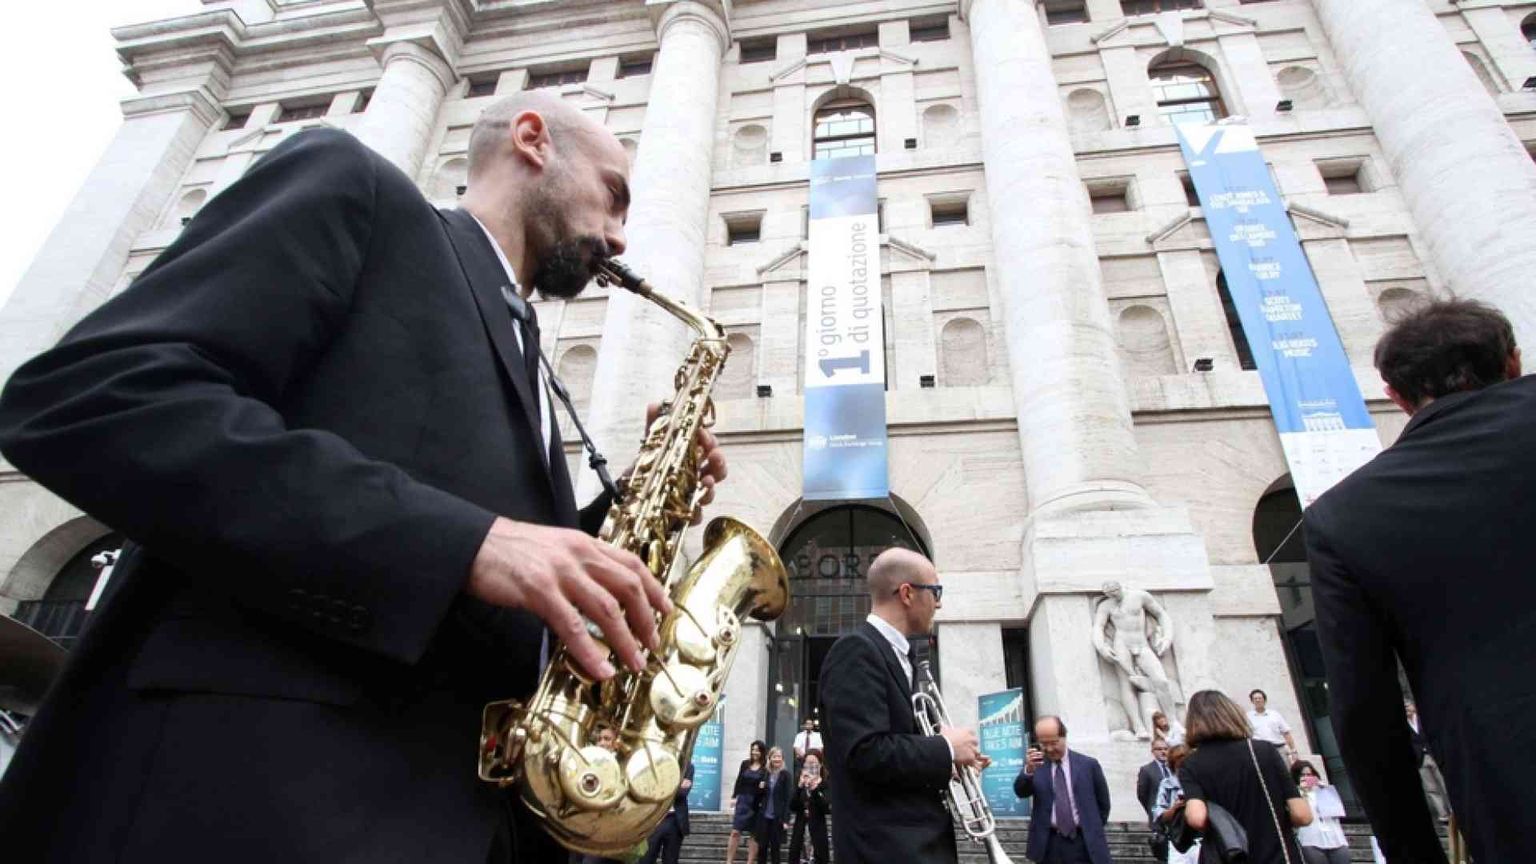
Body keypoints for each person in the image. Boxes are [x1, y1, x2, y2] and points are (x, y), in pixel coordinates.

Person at [0, 92, 731, 862]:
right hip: (260, 802)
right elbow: (92, 397)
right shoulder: (357, 188)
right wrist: (466, 544)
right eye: (613, 195)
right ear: (531, 140)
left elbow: (486, 555)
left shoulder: (527, 348)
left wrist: (625, 511)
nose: (619, 235)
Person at [1305, 298, 1535, 864]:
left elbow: (1366, 716)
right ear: (1512, 361)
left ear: (1396, 396)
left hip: (1513, 797)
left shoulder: (1344, 516)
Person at [819, 548, 984, 864]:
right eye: (935, 592)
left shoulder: (900, 655)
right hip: (885, 849)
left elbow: (894, 750)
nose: (939, 603)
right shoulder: (856, 650)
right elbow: (866, 752)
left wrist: (948, 764)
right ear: (907, 593)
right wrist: (945, 748)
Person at [1177, 690, 1311, 864]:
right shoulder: (1264, 751)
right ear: (1232, 713)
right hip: (1278, 854)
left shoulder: (1190, 764)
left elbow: (1197, 818)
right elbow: (1302, 815)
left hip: (1232, 856)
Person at [1014, 716, 1113, 864]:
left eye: (1053, 743)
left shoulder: (1088, 765)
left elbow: (1103, 804)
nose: (1049, 749)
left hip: (1083, 842)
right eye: (1043, 744)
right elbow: (1021, 792)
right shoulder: (1036, 766)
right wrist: (1028, 771)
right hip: (1049, 844)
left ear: (1064, 737)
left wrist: (1090, 827)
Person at [1092, 581, 1177, 739]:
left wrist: (1167, 637)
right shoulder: (1106, 605)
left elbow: (1161, 614)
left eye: (1115, 591)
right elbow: (1098, 627)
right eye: (1109, 594)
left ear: (1120, 587)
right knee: (1126, 684)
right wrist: (1102, 647)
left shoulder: (1139, 596)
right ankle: (1138, 727)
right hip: (1121, 644)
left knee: (1161, 681)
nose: (1113, 595)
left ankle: (1173, 722)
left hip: (1142, 643)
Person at [1291, 761, 1349, 864]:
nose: (1306, 778)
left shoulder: (1323, 790)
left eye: (1309, 775)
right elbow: (1300, 815)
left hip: (1335, 838)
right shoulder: (1295, 794)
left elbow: (1337, 812)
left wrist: (1324, 789)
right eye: (1302, 775)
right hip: (1311, 840)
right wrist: (1303, 792)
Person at [1150, 744, 1199, 864]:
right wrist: (1175, 808)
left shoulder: (1201, 783)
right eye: (1179, 766)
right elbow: (1158, 815)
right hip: (1177, 841)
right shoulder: (1166, 784)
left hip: (1201, 841)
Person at [639, 761, 693, 864]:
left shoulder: (687, 766)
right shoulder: (652, 763)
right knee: (646, 859)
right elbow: (647, 789)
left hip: (675, 821)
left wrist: (660, 784)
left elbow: (682, 793)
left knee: (671, 860)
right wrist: (678, 784)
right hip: (653, 819)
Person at [1403, 700, 1449, 820]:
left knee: (1445, 784)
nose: (1406, 709)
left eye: (1408, 706)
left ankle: (1454, 811)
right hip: (1420, 760)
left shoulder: (1422, 719)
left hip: (1433, 756)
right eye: (1404, 707)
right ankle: (1443, 815)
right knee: (1431, 789)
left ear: (1414, 706)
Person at [727, 739, 768, 864]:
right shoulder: (745, 764)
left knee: (753, 834)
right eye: (753, 750)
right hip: (743, 800)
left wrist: (763, 786)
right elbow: (739, 780)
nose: (754, 752)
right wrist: (734, 796)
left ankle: (750, 862)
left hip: (755, 802)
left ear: (762, 752)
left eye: (757, 750)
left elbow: (765, 788)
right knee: (735, 832)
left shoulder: (765, 768)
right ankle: (729, 861)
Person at [787, 750, 830, 864]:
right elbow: (792, 805)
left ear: (820, 764)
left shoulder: (825, 783)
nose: (810, 766)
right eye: (807, 763)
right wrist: (799, 787)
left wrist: (815, 790)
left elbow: (826, 808)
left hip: (817, 828)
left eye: (813, 763)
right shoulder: (799, 781)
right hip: (800, 828)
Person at [753, 746, 792, 864]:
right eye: (774, 756)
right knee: (762, 847)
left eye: (779, 756)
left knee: (775, 848)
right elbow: (758, 795)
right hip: (764, 816)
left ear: (782, 759)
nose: (777, 759)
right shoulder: (765, 773)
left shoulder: (786, 775)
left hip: (777, 817)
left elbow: (788, 799)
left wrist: (786, 819)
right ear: (769, 758)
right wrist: (760, 788)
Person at [1137, 738, 1174, 861]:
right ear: (1153, 751)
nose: (1163, 752)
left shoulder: (1175, 768)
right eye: (1159, 749)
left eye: (1165, 749)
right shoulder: (1147, 770)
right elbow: (1142, 794)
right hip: (1159, 819)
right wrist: (1153, 809)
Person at [1246, 689, 1297, 763]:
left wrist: (1293, 750)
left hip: (1278, 749)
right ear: (1252, 701)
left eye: (1260, 698)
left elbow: (1286, 733)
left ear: (1264, 700)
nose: (1257, 700)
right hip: (1260, 751)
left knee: (1284, 769)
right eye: (1255, 699)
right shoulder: (1248, 716)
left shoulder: (1275, 714)